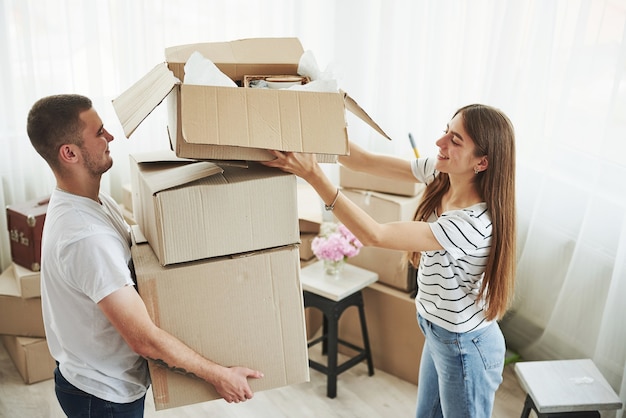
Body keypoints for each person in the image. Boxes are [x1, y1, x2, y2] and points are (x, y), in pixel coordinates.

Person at [262, 104, 516, 417]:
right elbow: (362, 162)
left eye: (456, 140)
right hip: (438, 331)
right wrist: (319, 120)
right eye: (446, 130)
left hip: (465, 346)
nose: (440, 143)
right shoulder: (442, 171)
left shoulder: (471, 223)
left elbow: (376, 235)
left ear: (482, 162)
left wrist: (314, 175)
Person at [26, 94, 263, 417]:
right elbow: (144, 340)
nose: (110, 137)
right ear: (69, 153)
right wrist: (219, 375)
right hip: (102, 396)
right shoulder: (85, 237)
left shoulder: (92, 201)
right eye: (99, 133)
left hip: (101, 381)